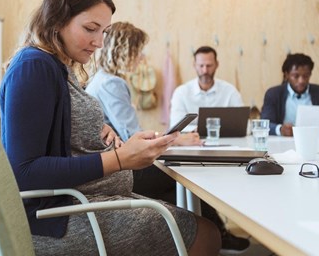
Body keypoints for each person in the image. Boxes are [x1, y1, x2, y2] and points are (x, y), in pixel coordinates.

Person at [0, 0, 220, 256]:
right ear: (57, 20)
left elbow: (60, 135)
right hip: (56, 218)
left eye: (103, 31)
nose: (100, 42)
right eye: (91, 28)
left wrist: (100, 131)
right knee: (205, 235)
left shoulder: (56, 67)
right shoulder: (34, 67)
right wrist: (119, 159)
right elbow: (25, 172)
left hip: (81, 201)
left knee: (193, 225)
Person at [87, 24, 250, 254]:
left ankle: (205, 236)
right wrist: (177, 140)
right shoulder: (113, 83)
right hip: (121, 168)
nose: (142, 57)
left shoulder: (101, 79)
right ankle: (210, 235)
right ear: (125, 51)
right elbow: (133, 138)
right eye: (139, 51)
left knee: (174, 189)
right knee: (188, 175)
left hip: (113, 164)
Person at [261, 53, 319, 136]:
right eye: (296, 76)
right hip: (283, 141)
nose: (301, 81)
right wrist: (281, 129)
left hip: (316, 141)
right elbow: (264, 124)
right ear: (287, 75)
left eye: (306, 76)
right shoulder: (273, 94)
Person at [169, 46, 244, 128]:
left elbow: (243, 124)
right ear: (194, 65)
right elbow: (175, 126)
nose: (205, 71)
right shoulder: (181, 93)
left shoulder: (230, 91)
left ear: (216, 65)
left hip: (224, 140)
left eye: (209, 66)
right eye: (201, 66)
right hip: (190, 140)